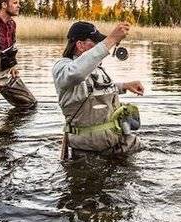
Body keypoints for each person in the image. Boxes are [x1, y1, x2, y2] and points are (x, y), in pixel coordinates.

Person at [52, 21, 144, 158]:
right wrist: (111, 40)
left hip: (118, 144)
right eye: (95, 42)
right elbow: (76, 75)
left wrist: (124, 86)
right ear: (80, 45)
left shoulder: (96, 68)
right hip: (88, 154)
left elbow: (96, 90)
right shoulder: (63, 67)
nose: (100, 46)